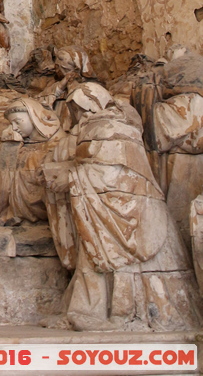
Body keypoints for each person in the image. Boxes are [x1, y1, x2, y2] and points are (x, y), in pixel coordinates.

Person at [42, 82, 202, 331]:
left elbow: (115, 173)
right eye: (75, 112)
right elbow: (91, 165)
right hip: (97, 205)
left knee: (121, 260)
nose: (78, 117)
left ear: (94, 105)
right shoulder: (93, 127)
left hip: (129, 208)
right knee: (91, 256)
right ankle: (84, 310)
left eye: (81, 110)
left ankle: (122, 313)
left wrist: (72, 177)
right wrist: (70, 173)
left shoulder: (114, 126)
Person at [0, 96, 63, 224]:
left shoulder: (58, 141)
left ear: (34, 117)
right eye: (11, 123)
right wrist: (8, 145)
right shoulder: (20, 140)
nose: (14, 127)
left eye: (18, 122)